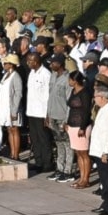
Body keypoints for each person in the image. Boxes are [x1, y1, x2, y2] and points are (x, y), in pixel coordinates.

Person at [47, 54, 72, 182]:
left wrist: (67, 120)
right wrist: (47, 115)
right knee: (58, 143)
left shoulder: (67, 79)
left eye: (53, 63)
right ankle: (59, 168)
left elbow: (69, 101)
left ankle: (68, 171)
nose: (51, 65)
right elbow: (49, 97)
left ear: (60, 64)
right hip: (52, 115)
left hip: (62, 116)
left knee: (67, 144)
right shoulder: (52, 75)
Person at [26, 52, 53, 173]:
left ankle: (47, 163)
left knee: (44, 138)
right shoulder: (32, 73)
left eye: (30, 61)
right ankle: (38, 161)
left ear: (36, 61)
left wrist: (47, 114)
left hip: (42, 112)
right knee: (35, 138)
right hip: (31, 110)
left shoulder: (45, 74)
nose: (28, 63)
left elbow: (48, 95)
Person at [0, 54, 24, 159]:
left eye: (6, 63)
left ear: (11, 64)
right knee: (9, 130)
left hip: (12, 108)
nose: (4, 64)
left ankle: (16, 154)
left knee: (15, 129)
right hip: (4, 108)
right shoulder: (5, 75)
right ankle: (12, 152)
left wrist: (14, 111)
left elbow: (18, 94)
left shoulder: (16, 76)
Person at [67, 71, 93, 188]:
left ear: (75, 80)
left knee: (84, 152)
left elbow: (87, 111)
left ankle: (86, 179)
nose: (69, 82)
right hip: (72, 124)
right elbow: (71, 108)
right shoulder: (73, 91)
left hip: (82, 125)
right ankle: (81, 178)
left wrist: (82, 127)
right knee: (78, 152)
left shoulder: (85, 93)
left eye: (70, 79)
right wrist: (67, 123)